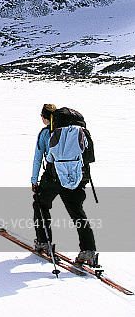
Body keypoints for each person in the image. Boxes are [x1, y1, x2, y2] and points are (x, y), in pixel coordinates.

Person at [32, 104, 98, 266]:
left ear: (45, 118)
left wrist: (34, 180)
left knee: (40, 204)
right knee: (77, 211)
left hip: (54, 177)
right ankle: (88, 251)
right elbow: (88, 157)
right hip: (76, 176)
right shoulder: (76, 131)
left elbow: (40, 158)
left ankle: (43, 242)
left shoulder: (46, 133)